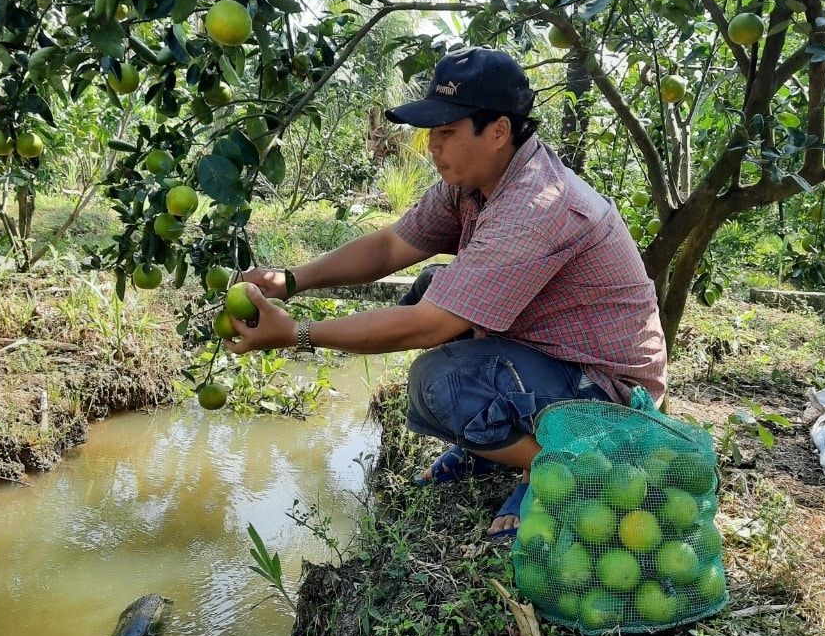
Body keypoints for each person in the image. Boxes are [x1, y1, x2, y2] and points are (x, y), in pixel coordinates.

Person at [224, 47, 668, 538]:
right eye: (432, 131)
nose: (431, 145)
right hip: (551, 354)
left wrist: (298, 334)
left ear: (498, 131)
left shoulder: (537, 204)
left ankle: (558, 465)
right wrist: (292, 280)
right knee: (430, 286)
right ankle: (496, 445)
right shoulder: (473, 181)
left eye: (446, 132)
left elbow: (430, 326)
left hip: (606, 394)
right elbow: (393, 245)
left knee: (438, 382)